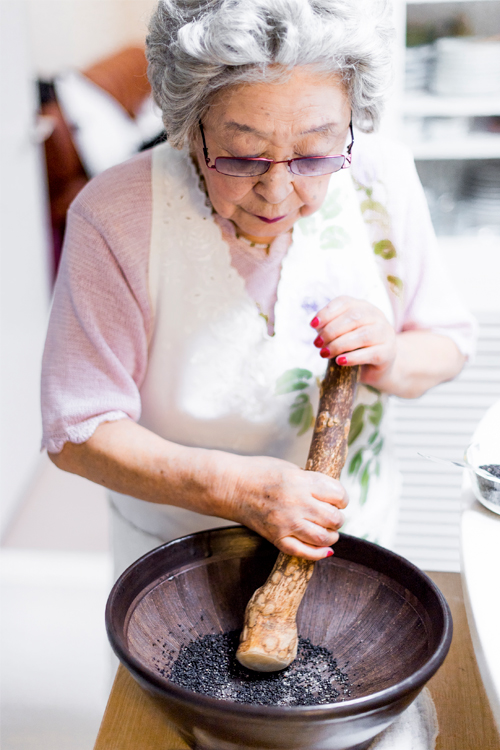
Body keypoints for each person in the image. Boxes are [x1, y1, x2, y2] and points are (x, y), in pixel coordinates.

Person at [41, 0, 475, 578]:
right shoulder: (117, 215)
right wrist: (237, 489)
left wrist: (390, 353)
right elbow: (78, 430)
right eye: (244, 156)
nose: (277, 193)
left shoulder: (381, 178)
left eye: (315, 153)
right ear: (188, 125)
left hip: (354, 545)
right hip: (180, 560)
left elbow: (446, 341)